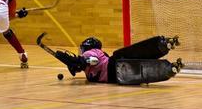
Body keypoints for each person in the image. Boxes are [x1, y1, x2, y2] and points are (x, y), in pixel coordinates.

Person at [37, 33, 184, 85]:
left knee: (135, 56)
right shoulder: (87, 62)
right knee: (140, 60)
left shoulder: (91, 53)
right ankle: (167, 65)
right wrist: (72, 64)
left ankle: (164, 52)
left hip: (114, 69)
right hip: (116, 76)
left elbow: (93, 61)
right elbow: (81, 67)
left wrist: (80, 62)